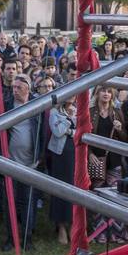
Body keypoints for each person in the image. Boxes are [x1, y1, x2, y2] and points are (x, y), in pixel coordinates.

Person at [1, 75, 41, 252]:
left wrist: (40, 156)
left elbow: (43, 131)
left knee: (28, 201)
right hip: (10, 163)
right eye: (13, 87)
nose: (15, 90)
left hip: (30, 164)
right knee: (10, 202)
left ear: (28, 88)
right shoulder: (7, 106)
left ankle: (28, 237)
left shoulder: (37, 106)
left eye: (19, 87)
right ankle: (11, 237)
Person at [46, 97, 77, 244]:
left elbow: (83, 130)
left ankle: (71, 224)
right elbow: (57, 132)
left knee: (73, 189)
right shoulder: (54, 112)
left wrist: (69, 130)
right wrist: (69, 119)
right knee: (60, 188)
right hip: (60, 154)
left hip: (75, 154)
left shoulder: (79, 109)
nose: (72, 98)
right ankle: (61, 226)